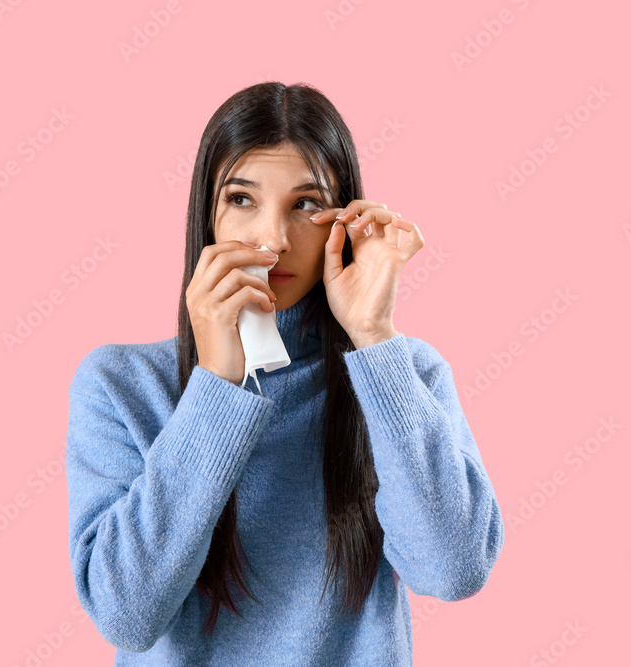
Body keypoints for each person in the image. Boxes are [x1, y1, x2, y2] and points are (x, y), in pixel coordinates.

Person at [65, 81, 504, 666]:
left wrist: (373, 336)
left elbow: (454, 569)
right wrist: (217, 385)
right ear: (207, 215)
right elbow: (126, 614)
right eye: (242, 199)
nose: (273, 240)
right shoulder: (122, 386)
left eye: (305, 205)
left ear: (343, 220)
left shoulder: (402, 375)